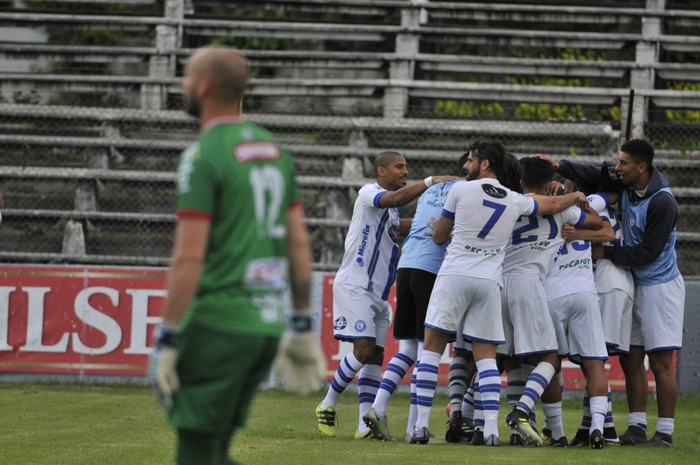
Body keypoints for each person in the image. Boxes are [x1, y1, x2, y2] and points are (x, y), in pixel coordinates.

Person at [148, 46, 325, 465]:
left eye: (187, 77)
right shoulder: (276, 150)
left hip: (215, 324)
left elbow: (189, 258)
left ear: (204, 85)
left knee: (194, 453)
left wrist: (168, 336)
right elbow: (299, 244)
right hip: (263, 326)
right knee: (214, 452)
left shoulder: (202, 155)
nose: (182, 85)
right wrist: (300, 323)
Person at [409, 140, 587, 445]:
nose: (465, 166)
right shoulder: (514, 199)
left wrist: (440, 228)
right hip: (489, 281)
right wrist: (574, 194)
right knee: (488, 360)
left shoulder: (460, 190)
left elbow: (439, 237)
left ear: (485, 163)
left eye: (470, 160)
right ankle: (491, 430)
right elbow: (550, 205)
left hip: (455, 275)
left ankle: (421, 427)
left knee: (431, 350)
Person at [538, 140, 685, 447]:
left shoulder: (663, 202)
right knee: (631, 359)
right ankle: (636, 427)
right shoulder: (626, 187)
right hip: (632, 282)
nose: (618, 168)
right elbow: (593, 173)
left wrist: (603, 251)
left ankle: (666, 432)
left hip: (659, 285)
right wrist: (559, 165)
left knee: (660, 361)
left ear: (641, 168)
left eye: (624, 163)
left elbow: (647, 253)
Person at [315, 152, 459, 439]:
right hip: (355, 285)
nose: (405, 171)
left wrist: (442, 220)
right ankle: (327, 402)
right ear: (381, 170)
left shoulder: (392, 213)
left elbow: (405, 223)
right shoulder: (369, 193)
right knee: (364, 350)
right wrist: (432, 182)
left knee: (376, 357)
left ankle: (363, 426)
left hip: (379, 292)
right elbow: (395, 199)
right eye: (399, 167)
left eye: (407, 166)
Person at [499, 157, 605, 447]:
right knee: (550, 359)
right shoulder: (564, 211)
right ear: (550, 184)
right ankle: (522, 410)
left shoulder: (509, 203)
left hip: (498, 284)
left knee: (506, 360)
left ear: (520, 183)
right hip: (530, 284)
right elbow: (598, 223)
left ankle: (479, 424)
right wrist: (576, 200)